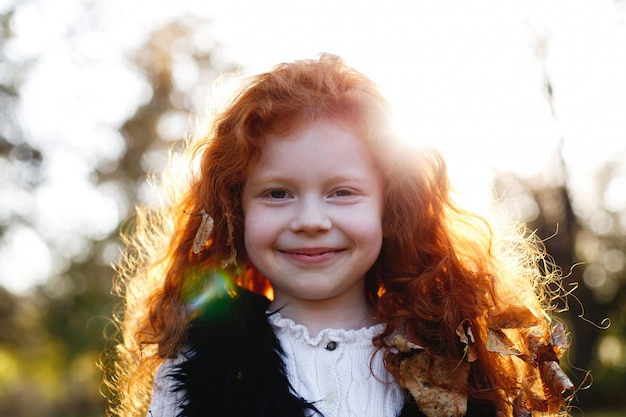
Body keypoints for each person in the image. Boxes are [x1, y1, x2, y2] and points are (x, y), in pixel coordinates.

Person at [106, 54, 574, 417]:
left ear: (391, 208)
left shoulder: (456, 361)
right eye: (277, 193)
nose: (311, 219)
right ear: (235, 211)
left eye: (342, 192)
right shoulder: (197, 365)